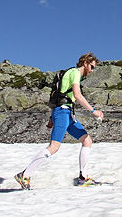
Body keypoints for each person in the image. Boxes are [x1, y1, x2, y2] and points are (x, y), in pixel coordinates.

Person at [15, 52, 104, 189]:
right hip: (63, 113)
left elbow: (58, 96)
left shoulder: (69, 73)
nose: (92, 70)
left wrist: (51, 118)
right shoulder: (75, 73)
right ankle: (25, 174)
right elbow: (77, 95)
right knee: (54, 147)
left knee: (87, 140)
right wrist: (93, 111)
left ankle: (83, 178)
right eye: (92, 67)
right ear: (85, 63)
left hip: (67, 114)